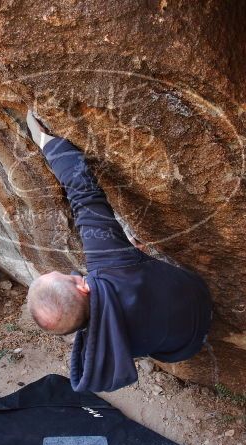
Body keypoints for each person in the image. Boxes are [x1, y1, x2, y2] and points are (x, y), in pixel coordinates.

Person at [25, 111, 214, 393]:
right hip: (199, 296)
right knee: (133, 262)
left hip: (185, 345)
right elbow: (84, 195)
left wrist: (131, 258)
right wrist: (46, 141)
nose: (68, 271)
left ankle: (139, 260)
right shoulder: (109, 262)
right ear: (82, 285)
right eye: (63, 275)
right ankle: (140, 260)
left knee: (135, 269)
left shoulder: (102, 341)